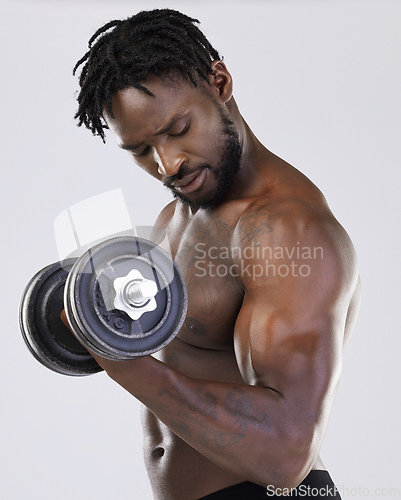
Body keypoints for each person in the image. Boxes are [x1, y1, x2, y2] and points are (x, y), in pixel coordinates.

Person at [72, 9, 360, 499]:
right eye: (141, 150)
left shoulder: (288, 229)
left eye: (178, 128)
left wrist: (121, 361)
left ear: (220, 82)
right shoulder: (177, 216)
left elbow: (287, 453)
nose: (167, 164)